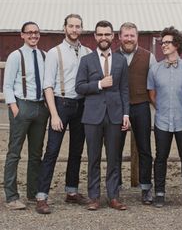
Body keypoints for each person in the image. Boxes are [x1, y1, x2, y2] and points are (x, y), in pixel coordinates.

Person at [35, 14, 91, 214]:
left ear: (82, 29)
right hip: (61, 103)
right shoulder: (54, 52)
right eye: (71, 26)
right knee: (52, 151)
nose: (74, 29)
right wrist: (54, 114)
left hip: (82, 105)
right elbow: (48, 85)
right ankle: (41, 196)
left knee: (76, 151)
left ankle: (72, 191)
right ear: (65, 28)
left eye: (78, 26)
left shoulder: (87, 51)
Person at [76, 20, 130, 211]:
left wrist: (126, 113)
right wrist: (99, 84)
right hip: (92, 116)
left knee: (114, 157)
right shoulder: (86, 60)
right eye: (100, 34)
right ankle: (94, 197)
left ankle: (113, 196)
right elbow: (79, 87)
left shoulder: (121, 60)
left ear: (113, 36)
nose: (103, 37)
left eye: (107, 34)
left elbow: (124, 89)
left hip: (115, 116)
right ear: (95, 36)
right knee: (93, 158)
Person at [3, 21, 49, 210]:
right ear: (21, 35)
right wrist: (15, 108)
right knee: (14, 153)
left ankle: (32, 193)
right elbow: (7, 85)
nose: (33, 35)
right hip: (22, 106)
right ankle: (12, 196)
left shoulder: (44, 55)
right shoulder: (15, 56)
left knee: (36, 154)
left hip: (40, 107)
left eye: (36, 32)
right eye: (29, 32)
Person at [148, 26, 182, 207]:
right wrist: (161, 108)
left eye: (167, 42)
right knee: (160, 157)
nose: (163, 45)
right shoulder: (155, 69)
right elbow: (151, 93)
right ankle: (159, 193)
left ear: (177, 44)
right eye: (162, 42)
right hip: (162, 121)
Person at [117, 22, 155, 204]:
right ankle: (115, 185)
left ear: (137, 37)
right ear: (120, 37)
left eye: (132, 36)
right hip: (118, 107)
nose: (129, 39)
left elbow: (154, 84)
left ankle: (146, 187)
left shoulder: (149, 57)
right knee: (114, 148)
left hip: (141, 106)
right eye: (126, 35)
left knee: (145, 149)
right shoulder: (112, 56)